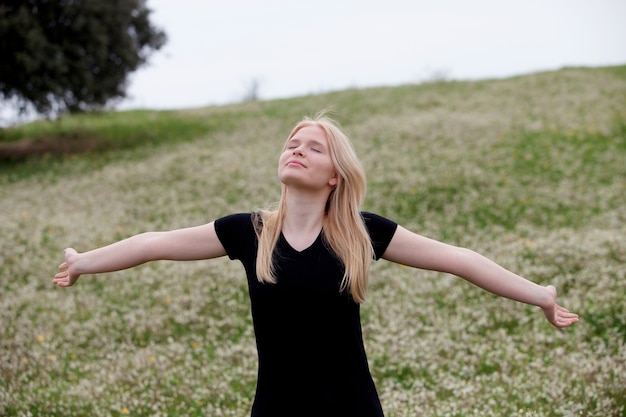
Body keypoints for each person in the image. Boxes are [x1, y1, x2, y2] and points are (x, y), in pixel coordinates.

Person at [53, 113, 579, 417]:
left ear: (334, 176)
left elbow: (458, 260)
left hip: (351, 408)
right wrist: (83, 261)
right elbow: (153, 243)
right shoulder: (249, 231)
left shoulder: (361, 233)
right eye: (292, 144)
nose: (297, 150)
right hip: (276, 409)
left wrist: (540, 294)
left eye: (314, 148)